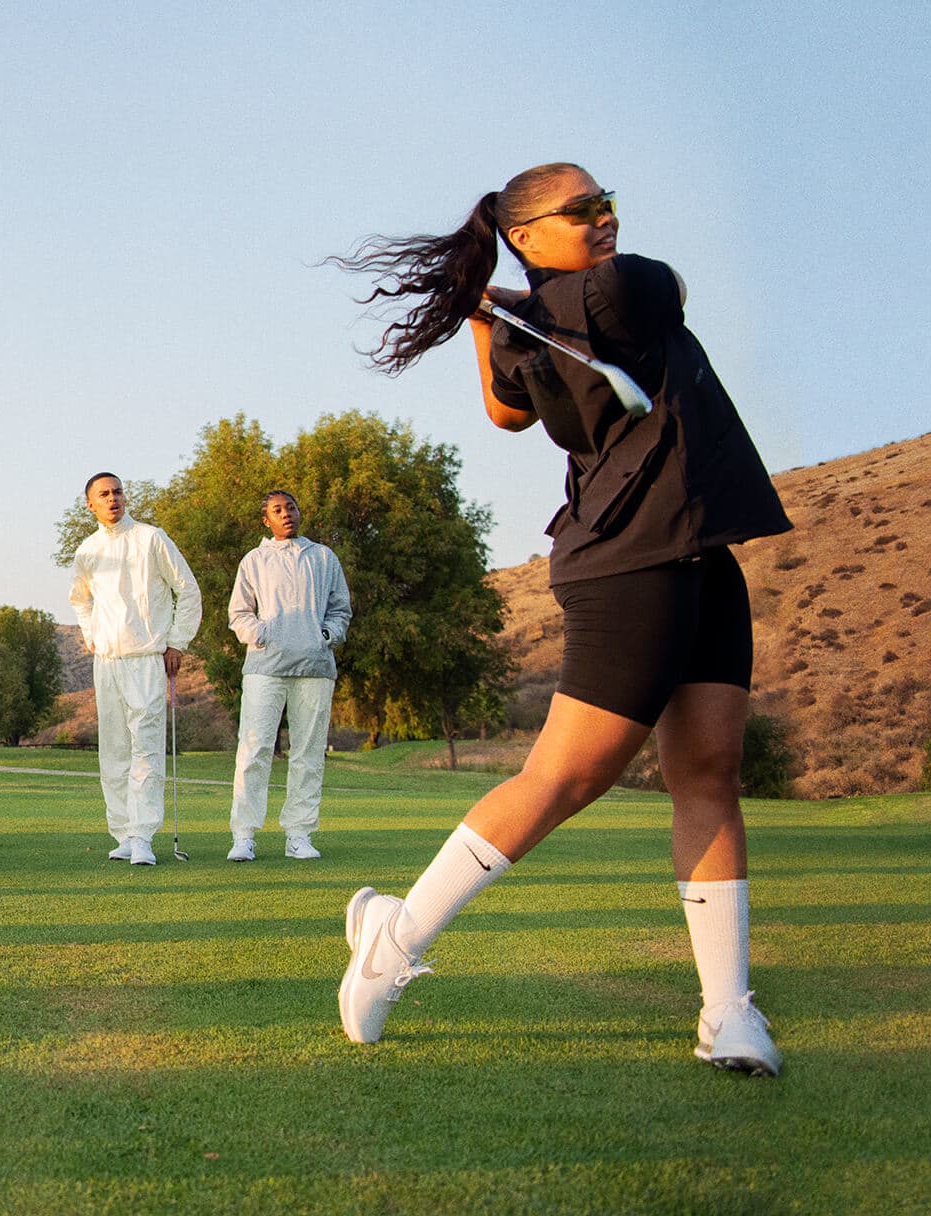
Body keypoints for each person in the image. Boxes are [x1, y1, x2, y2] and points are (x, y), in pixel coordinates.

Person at [328, 163, 792, 1074]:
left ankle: (727, 1012)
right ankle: (395, 937)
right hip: (631, 562)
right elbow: (643, 312)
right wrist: (495, 308)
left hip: (703, 554)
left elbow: (505, 414)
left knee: (710, 772)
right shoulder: (624, 286)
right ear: (528, 234)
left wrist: (487, 308)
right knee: (565, 779)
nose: (606, 217)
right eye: (581, 210)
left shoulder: (532, 320)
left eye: (608, 200)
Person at [68, 473, 202, 866]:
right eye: (104, 495)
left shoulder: (151, 538)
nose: (113, 499)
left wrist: (178, 640)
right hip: (107, 661)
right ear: (90, 504)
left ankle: (143, 835)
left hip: (146, 658)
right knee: (113, 751)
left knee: (145, 747)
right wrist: (90, 633)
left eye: (118, 492)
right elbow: (80, 600)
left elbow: (188, 589)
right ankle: (123, 833)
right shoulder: (88, 551)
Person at [226, 490, 352, 862]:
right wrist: (262, 635)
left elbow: (340, 608)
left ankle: (299, 834)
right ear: (266, 520)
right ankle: (244, 835)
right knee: (254, 749)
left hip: (314, 667)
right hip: (265, 668)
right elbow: (239, 613)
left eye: (291, 508)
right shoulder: (255, 560)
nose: (287, 515)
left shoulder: (324, 558)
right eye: (277, 511)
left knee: (309, 752)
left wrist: (325, 636)